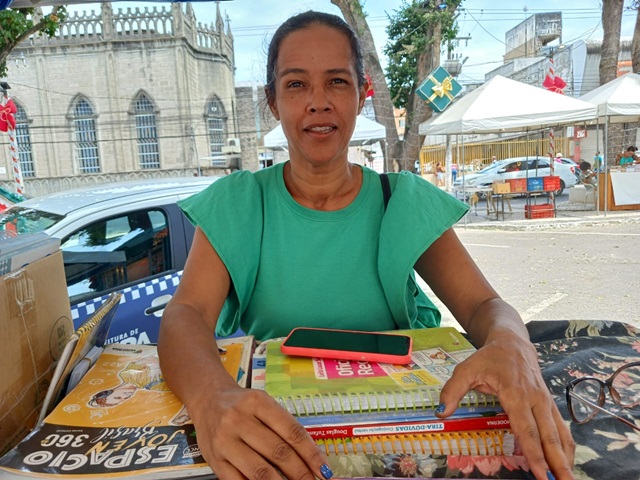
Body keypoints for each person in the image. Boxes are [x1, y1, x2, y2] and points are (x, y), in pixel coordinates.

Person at [158, 11, 575, 480]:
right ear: (272, 102)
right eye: (296, 85)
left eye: (336, 81)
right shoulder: (239, 203)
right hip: (271, 440)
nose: (318, 102)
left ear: (361, 94)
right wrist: (210, 397)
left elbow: (483, 305)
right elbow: (185, 316)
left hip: (406, 443)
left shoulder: (402, 201)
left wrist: (512, 344)